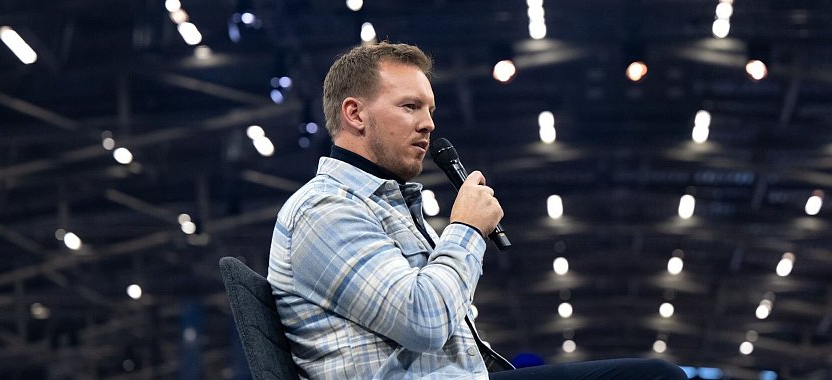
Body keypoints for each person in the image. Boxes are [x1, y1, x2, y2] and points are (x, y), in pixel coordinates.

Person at [267, 41, 686, 380]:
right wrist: (465, 228)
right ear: (355, 114)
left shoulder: (383, 207)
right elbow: (425, 320)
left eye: (430, 110)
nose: (429, 123)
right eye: (410, 107)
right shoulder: (324, 207)